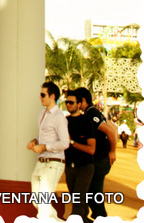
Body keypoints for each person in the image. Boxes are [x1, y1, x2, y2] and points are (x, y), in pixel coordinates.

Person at [26, 81, 69, 220]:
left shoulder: (59, 117)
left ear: (52, 96)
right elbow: (45, 136)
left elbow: (65, 142)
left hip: (54, 163)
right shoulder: (42, 114)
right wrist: (35, 141)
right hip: (42, 162)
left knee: (43, 204)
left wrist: (43, 147)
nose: (40, 97)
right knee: (37, 201)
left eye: (43, 94)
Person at [75, 87, 117, 220]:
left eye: (75, 101)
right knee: (92, 193)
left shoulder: (91, 114)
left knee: (92, 193)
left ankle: (101, 218)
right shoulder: (91, 113)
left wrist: (112, 152)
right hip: (98, 160)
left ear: (82, 100)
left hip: (100, 160)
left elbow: (110, 131)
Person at [64, 90, 95, 222]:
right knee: (79, 206)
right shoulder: (64, 122)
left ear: (79, 104)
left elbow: (91, 149)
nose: (68, 105)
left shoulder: (86, 122)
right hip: (69, 168)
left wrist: (71, 142)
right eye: (66, 102)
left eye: (71, 102)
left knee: (77, 204)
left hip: (84, 168)